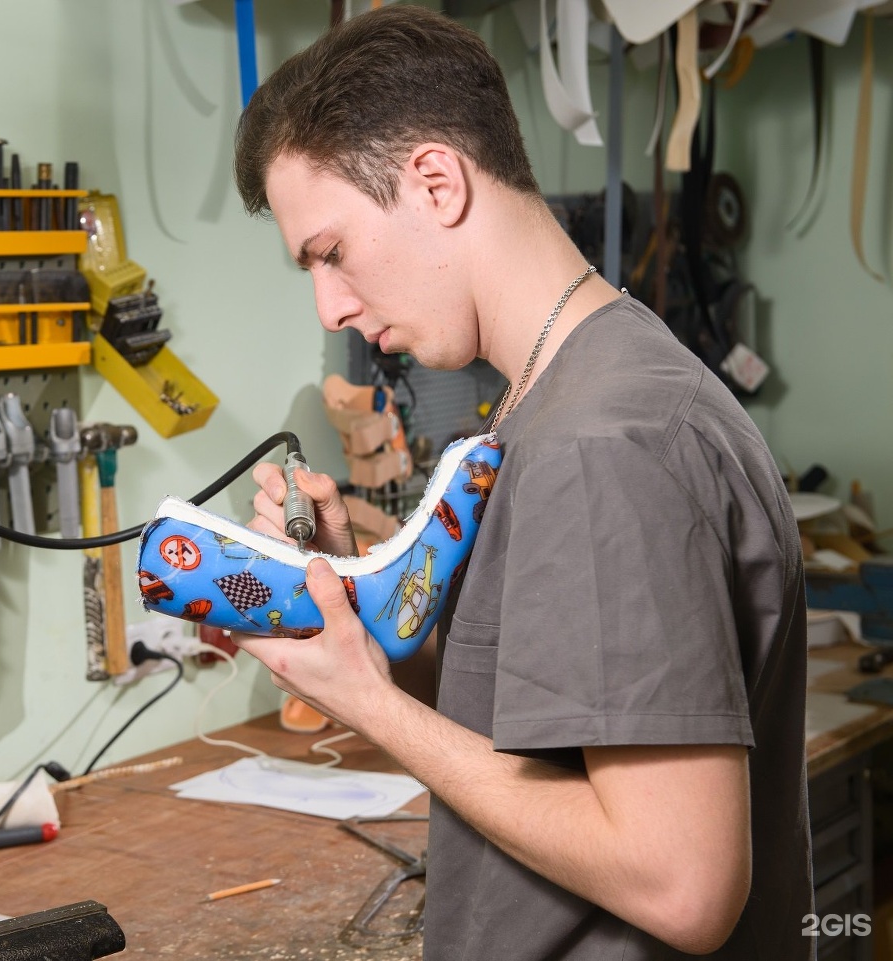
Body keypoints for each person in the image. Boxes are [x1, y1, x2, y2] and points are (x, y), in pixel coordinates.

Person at [231, 7, 811, 960]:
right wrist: (360, 611)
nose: (331, 302)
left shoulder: (601, 444)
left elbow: (683, 881)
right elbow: (537, 716)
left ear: (435, 181)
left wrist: (368, 706)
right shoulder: (585, 385)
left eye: (330, 251)